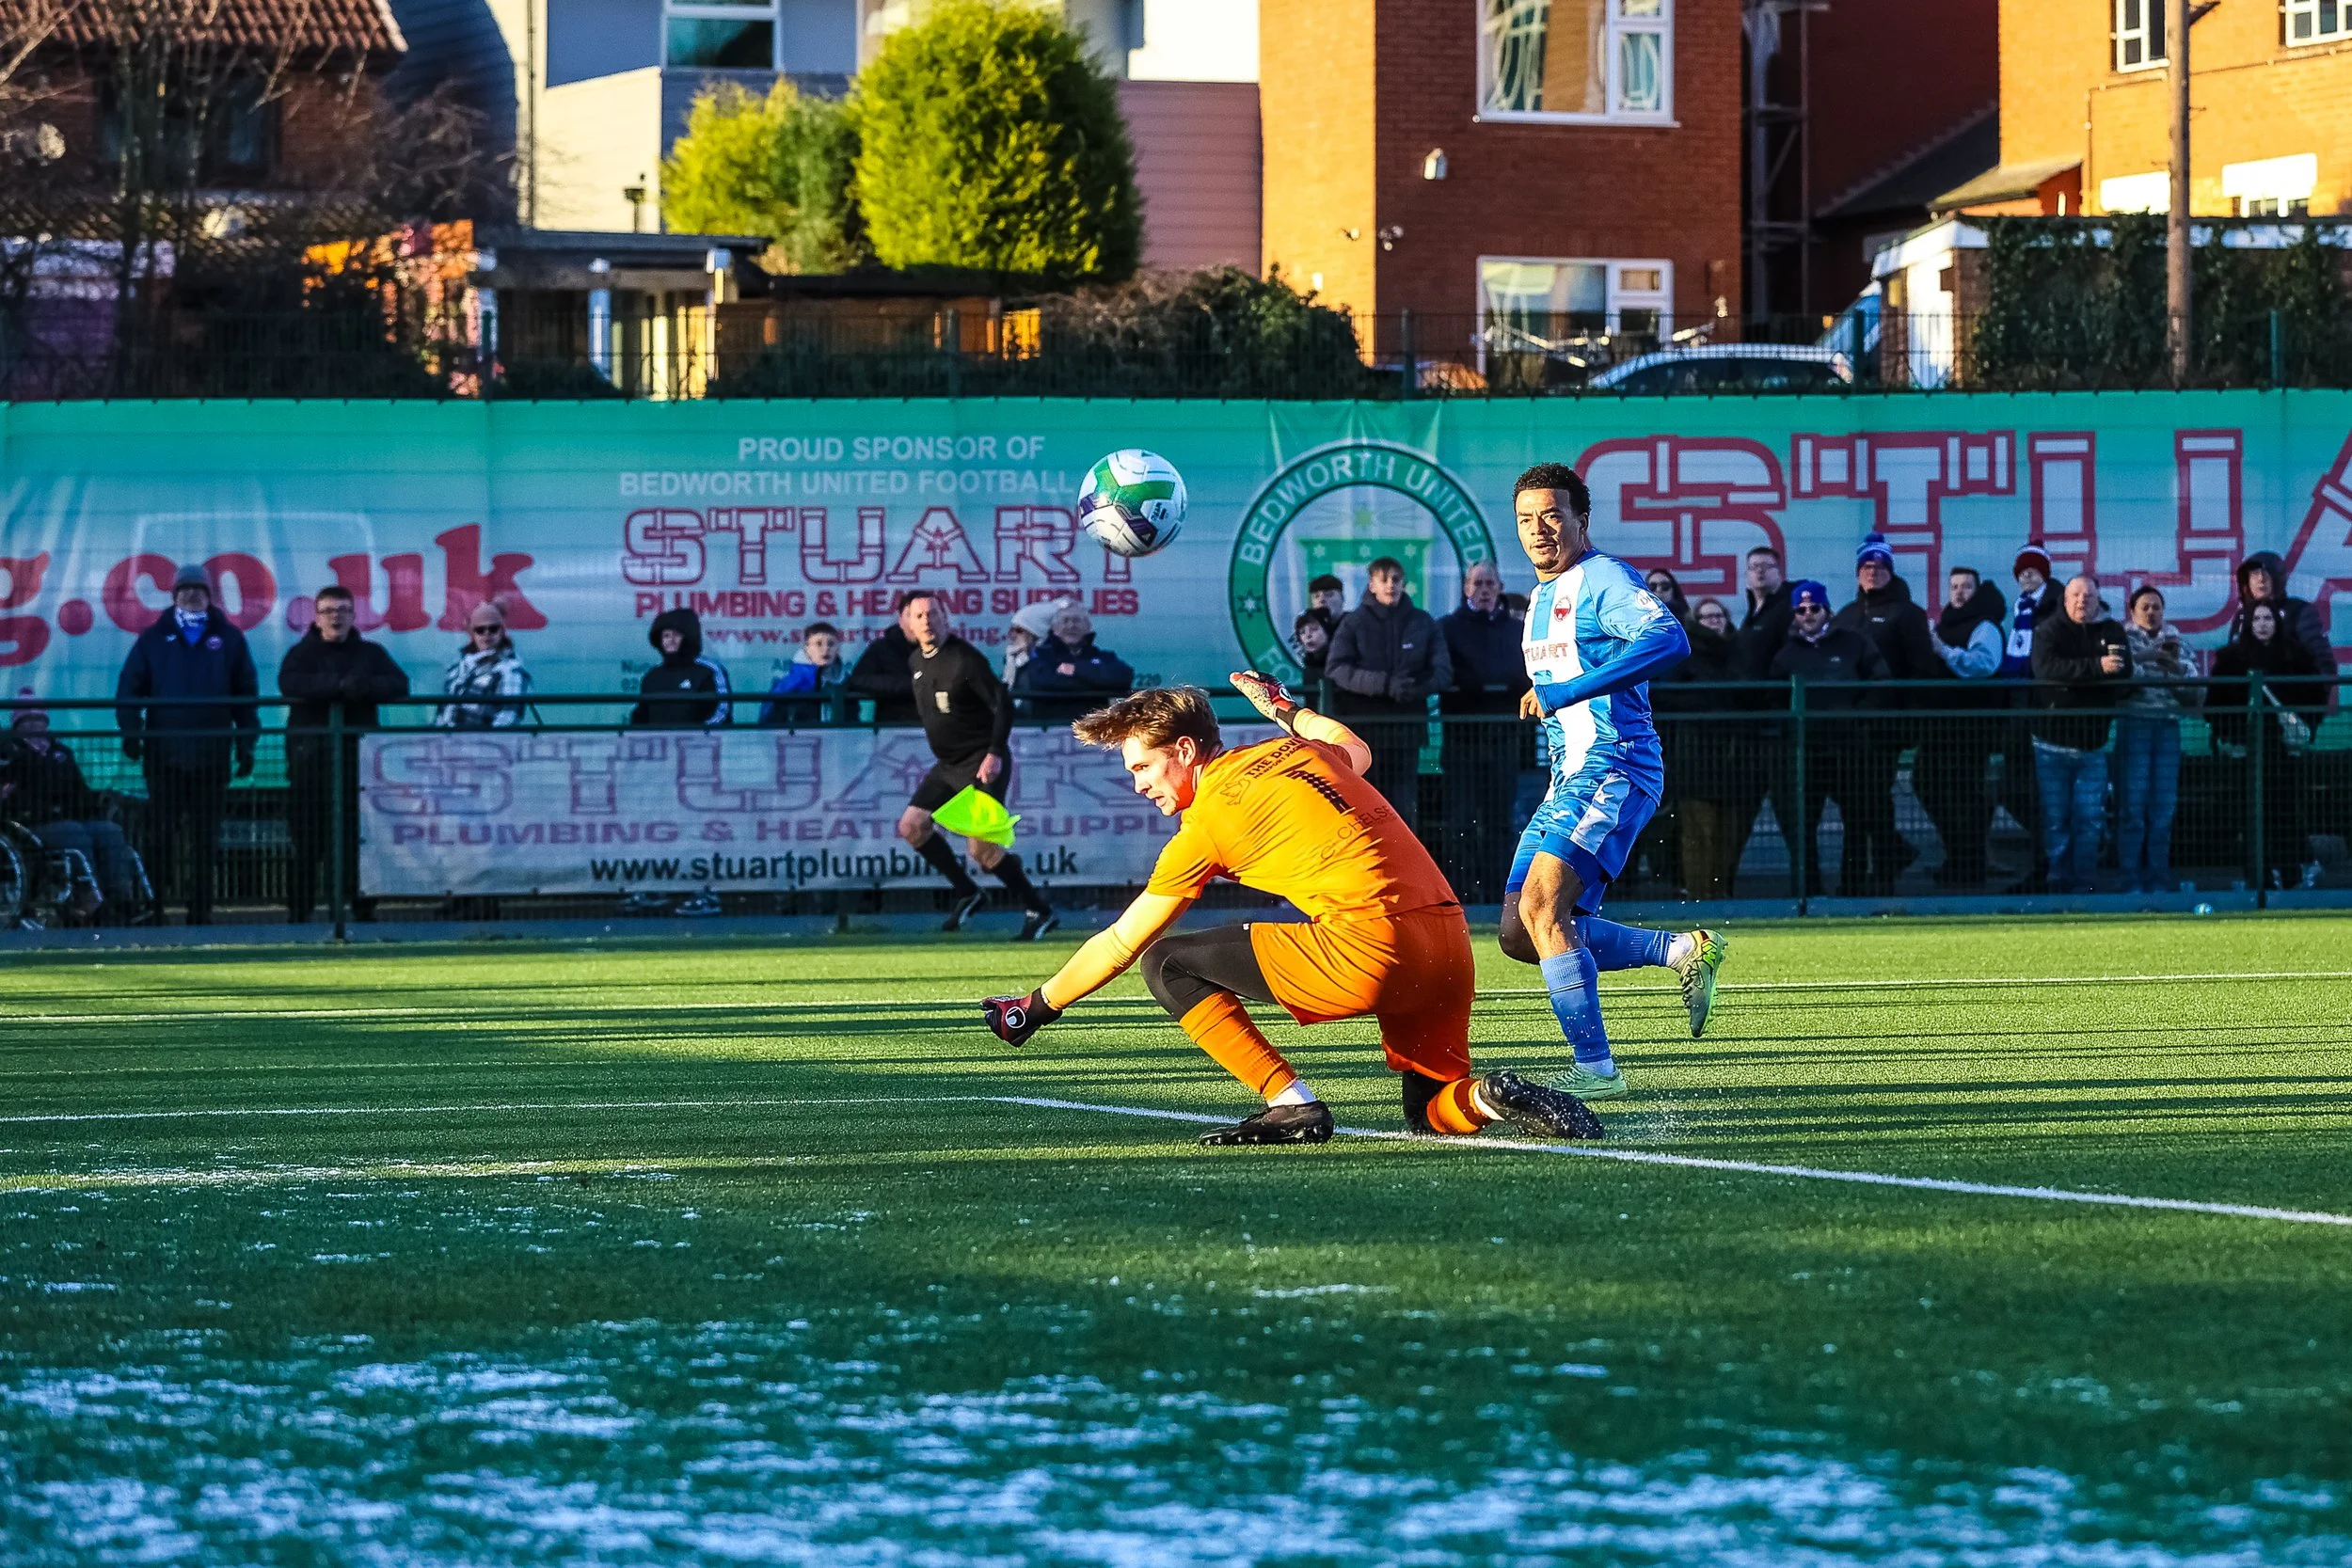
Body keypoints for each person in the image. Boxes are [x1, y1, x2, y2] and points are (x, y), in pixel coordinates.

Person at [978, 680, 1603, 1147]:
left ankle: (1290, 1102)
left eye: (1143, 765)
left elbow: (1121, 940)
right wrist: (1284, 708)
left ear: (1187, 749)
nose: (1138, 783)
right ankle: (1492, 1096)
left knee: (1166, 960)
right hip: (1447, 942)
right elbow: (1350, 744)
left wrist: (1035, 1006)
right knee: (1432, 1112)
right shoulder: (1300, 753)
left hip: (1373, 950)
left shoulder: (1208, 823)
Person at [1501, 463, 1726, 1102]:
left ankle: (1595, 1070)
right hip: (1568, 776)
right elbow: (1578, 672)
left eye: (1551, 515)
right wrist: (1553, 692)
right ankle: (1683, 948)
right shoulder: (1541, 598)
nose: (1538, 529)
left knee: (1544, 908)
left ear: (1581, 520)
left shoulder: (1602, 577)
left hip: (1616, 765)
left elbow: (1667, 637)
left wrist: (1569, 688)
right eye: (1525, 518)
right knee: (1521, 932)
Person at [897, 589, 1057, 940]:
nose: (926, 621)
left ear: (946, 618)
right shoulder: (916, 661)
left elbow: (1003, 705)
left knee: (980, 848)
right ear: (907, 623)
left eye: (933, 614)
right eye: (919, 615)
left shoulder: (963, 661)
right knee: (912, 826)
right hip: (948, 765)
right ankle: (968, 891)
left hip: (982, 761)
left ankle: (1039, 910)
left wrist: (995, 751)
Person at [115, 562, 258, 924]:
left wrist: (246, 744)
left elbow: (246, 695)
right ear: (173, 594)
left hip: (212, 755)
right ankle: (156, 908)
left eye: (198, 589)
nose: (191, 595)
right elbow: (129, 689)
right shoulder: (152, 639)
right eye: (185, 589)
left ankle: (200, 911)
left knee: (205, 841)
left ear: (210, 595)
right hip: (165, 757)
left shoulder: (229, 639)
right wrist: (132, 733)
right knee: (159, 838)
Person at [278, 584, 410, 924]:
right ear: (317, 617)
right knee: (307, 839)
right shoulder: (300, 655)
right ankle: (299, 912)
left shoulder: (371, 654)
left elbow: (400, 686)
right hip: (310, 764)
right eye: (328, 611)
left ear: (353, 615)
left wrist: (362, 688)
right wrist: (339, 687)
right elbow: (290, 685)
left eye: (342, 610)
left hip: (359, 767)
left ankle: (361, 908)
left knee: (358, 840)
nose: (335, 617)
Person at [1829, 531, 1936, 895]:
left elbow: (1922, 672)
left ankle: (1873, 878)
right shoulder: (1845, 614)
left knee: (1871, 801)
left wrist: (1909, 726)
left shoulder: (1908, 614)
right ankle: (1878, 864)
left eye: (1879, 566)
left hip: (1884, 730)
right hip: (1847, 732)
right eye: (1867, 566)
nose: (1872, 572)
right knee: (1855, 804)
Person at [1770, 579, 1892, 897]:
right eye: (1801, 610)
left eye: (1814, 608)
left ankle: (1852, 888)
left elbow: (1880, 681)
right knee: (1803, 824)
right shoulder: (1786, 655)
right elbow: (1772, 698)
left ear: (1827, 609)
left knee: (1858, 819)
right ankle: (1808, 892)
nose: (1808, 614)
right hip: (1805, 751)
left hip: (1850, 749)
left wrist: (1857, 717)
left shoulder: (1855, 642)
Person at [1324, 556, 1453, 834]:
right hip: (1363, 735)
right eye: (1384, 579)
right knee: (1364, 807)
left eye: (1396, 579)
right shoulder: (1353, 624)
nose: (1390, 585)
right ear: (1372, 584)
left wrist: (1414, 688)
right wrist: (1383, 684)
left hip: (1406, 733)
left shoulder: (1423, 622)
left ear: (1404, 583)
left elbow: (1442, 672)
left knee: (1404, 809)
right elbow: (1336, 669)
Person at [2028, 574, 2131, 895]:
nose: (2081, 601)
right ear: (2065, 598)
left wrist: (2083, 675)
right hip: (2051, 745)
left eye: (2088, 596)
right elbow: (2048, 671)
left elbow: (2123, 670)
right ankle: (2058, 881)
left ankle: (2085, 883)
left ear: (2098, 598)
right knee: (2057, 819)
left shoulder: (2112, 630)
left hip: (2093, 746)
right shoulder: (2048, 630)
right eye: (2075, 595)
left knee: (2089, 818)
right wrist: (2096, 669)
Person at [2210, 600, 2323, 890]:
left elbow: (2316, 697)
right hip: (2246, 750)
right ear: (2247, 624)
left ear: (2277, 622)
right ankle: (2258, 877)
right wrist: (2231, 736)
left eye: (2267, 618)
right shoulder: (2231, 660)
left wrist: (2305, 727)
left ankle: (2290, 874)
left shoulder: (2297, 656)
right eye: (2256, 618)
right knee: (2250, 815)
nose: (2262, 624)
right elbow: (2215, 704)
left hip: (2286, 752)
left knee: (2287, 813)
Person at [1437, 561, 1529, 904]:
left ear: (1500, 586)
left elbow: (1525, 674)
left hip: (1504, 738)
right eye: (1478, 583)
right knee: (1460, 819)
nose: (1485, 589)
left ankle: (1497, 893)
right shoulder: (1447, 628)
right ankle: (1459, 891)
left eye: (1490, 583)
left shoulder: (1516, 630)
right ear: (1466, 588)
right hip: (1463, 739)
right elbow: (1446, 676)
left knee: (1500, 820)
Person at [1658, 597, 1757, 899]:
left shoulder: (1740, 651)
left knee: (1730, 836)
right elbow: (1666, 696)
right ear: (1695, 621)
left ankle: (1723, 893)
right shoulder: (1683, 655)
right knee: (1699, 835)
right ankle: (1701, 897)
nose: (1714, 622)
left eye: (1719, 616)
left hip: (1734, 756)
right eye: (1706, 617)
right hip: (1695, 756)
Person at [1, 698, 139, 916]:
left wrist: (96, 805)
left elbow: (79, 790)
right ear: (17, 725)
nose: (35, 724)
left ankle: (120, 898)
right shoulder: (9, 753)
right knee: (74, 833)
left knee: (109, 832)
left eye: (39, 719)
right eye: (28, 720)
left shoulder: (61, 753)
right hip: (31, 821)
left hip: (68, 815)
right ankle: (88, 897)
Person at [1915, 566, 2008, 889]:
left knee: (1962, 797)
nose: (1958, 592)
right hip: (1941, 725)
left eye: (1966, 586)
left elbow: (1983, 665)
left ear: (1977, 591)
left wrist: (1943, 651)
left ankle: (1967, 866)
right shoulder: (1947, 624)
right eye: (1954, 586)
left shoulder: (1985, 626)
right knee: (1928, 784)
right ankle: (1961, 859)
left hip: (1970, 728)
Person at [2114, 586, 2200, 895]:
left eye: (2156, 607)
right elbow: (2118, 676)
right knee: (2132, 808)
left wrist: (2173, 668)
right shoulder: (2122, 640)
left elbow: (2193, 683)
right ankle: (2130, 881)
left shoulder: (2177, 641)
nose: (2151, 613)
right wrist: (2146, 659)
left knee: (2163, 808)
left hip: (2167, 727)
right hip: (2134, 725)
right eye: (2145, 607)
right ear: (2133, 612)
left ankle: (2159, 880)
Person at [1996, 542, 2059, 889]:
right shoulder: (2021, 609)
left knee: (2041, 793)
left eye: (2033, 570)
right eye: (2021, 571)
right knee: (2016, 789)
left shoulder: (2054, 608)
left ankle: (2049, 866)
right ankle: (2047, 861)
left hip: (2041, 713)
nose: (2026, 576)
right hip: (2020, 713)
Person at [1013, 602, 1136, 722]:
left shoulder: (1103, 656)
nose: (1071, 625)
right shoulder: (1041, 655)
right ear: (1054, 629)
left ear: (1088, 627)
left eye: (1077, 621)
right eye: (1065, 621)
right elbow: (1041, 681)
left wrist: (1076, 670)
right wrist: (1097, 682)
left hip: (1092, 733)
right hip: (1049, 733)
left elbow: (1124, 676)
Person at [2231, 551, 2332, 678]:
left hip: (2291, 692)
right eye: (2255, 574)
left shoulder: (2300, 611)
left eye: (2266, 573)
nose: (2261, 579)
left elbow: (2323, 664)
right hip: (2249, 694)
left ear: (2278, 578)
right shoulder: (2242, 616)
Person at [434, 600, 532, 729]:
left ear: (502, 632)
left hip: (483, 745)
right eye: (480, 630)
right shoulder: (458, 668)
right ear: (472, 633)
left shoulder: (510, 670)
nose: (487, 634)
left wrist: (480, 742)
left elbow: (508, 717)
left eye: (493, 629)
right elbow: (442, 713)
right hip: (446, 744)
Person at [629, 608, 730, 727]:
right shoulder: (652, 676)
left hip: (699, 743)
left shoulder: (709, 671)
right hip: (659, 744)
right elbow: (641, 716)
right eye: (666, 636)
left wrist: (698, 737)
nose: (670, 640)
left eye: (676, 635)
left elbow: (722, 711)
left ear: (688, 637)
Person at [844, 594, 923, 723]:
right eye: (911, 615)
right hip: (892, 727)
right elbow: (858, 680)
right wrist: (905, 685)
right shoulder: (883, 647)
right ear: (900, 618)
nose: (916, 622)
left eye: (922, 615)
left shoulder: (947, 649)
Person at [757, 622, 849, 726]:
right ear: (807, 648)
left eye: (831, 644)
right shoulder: (789, 681)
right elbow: (769, 716)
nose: (825, 649)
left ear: (838, 649)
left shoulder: (844, 681)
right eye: (818, 644)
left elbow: (852, 718)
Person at [1738, 546, 1794, 675]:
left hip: (1775, 689)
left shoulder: (1789, 608)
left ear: (1779, 571)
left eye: (1766, 566)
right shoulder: (1752, 611)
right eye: (1754, 567)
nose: (1760, 571)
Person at [1001, 597, 1066, 686]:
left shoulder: (1056, 667)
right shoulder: (1017, 661)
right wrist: (1010, 665)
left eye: (1019, 630)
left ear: (1036, 634)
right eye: (1011, 629)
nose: (1011, 635)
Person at [1291, 611, 1331, 701]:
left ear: (1327, 632)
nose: (1308, 635)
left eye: (1314, 629)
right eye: (1302, 632)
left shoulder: (1341, 664)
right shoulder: (1308, 668)